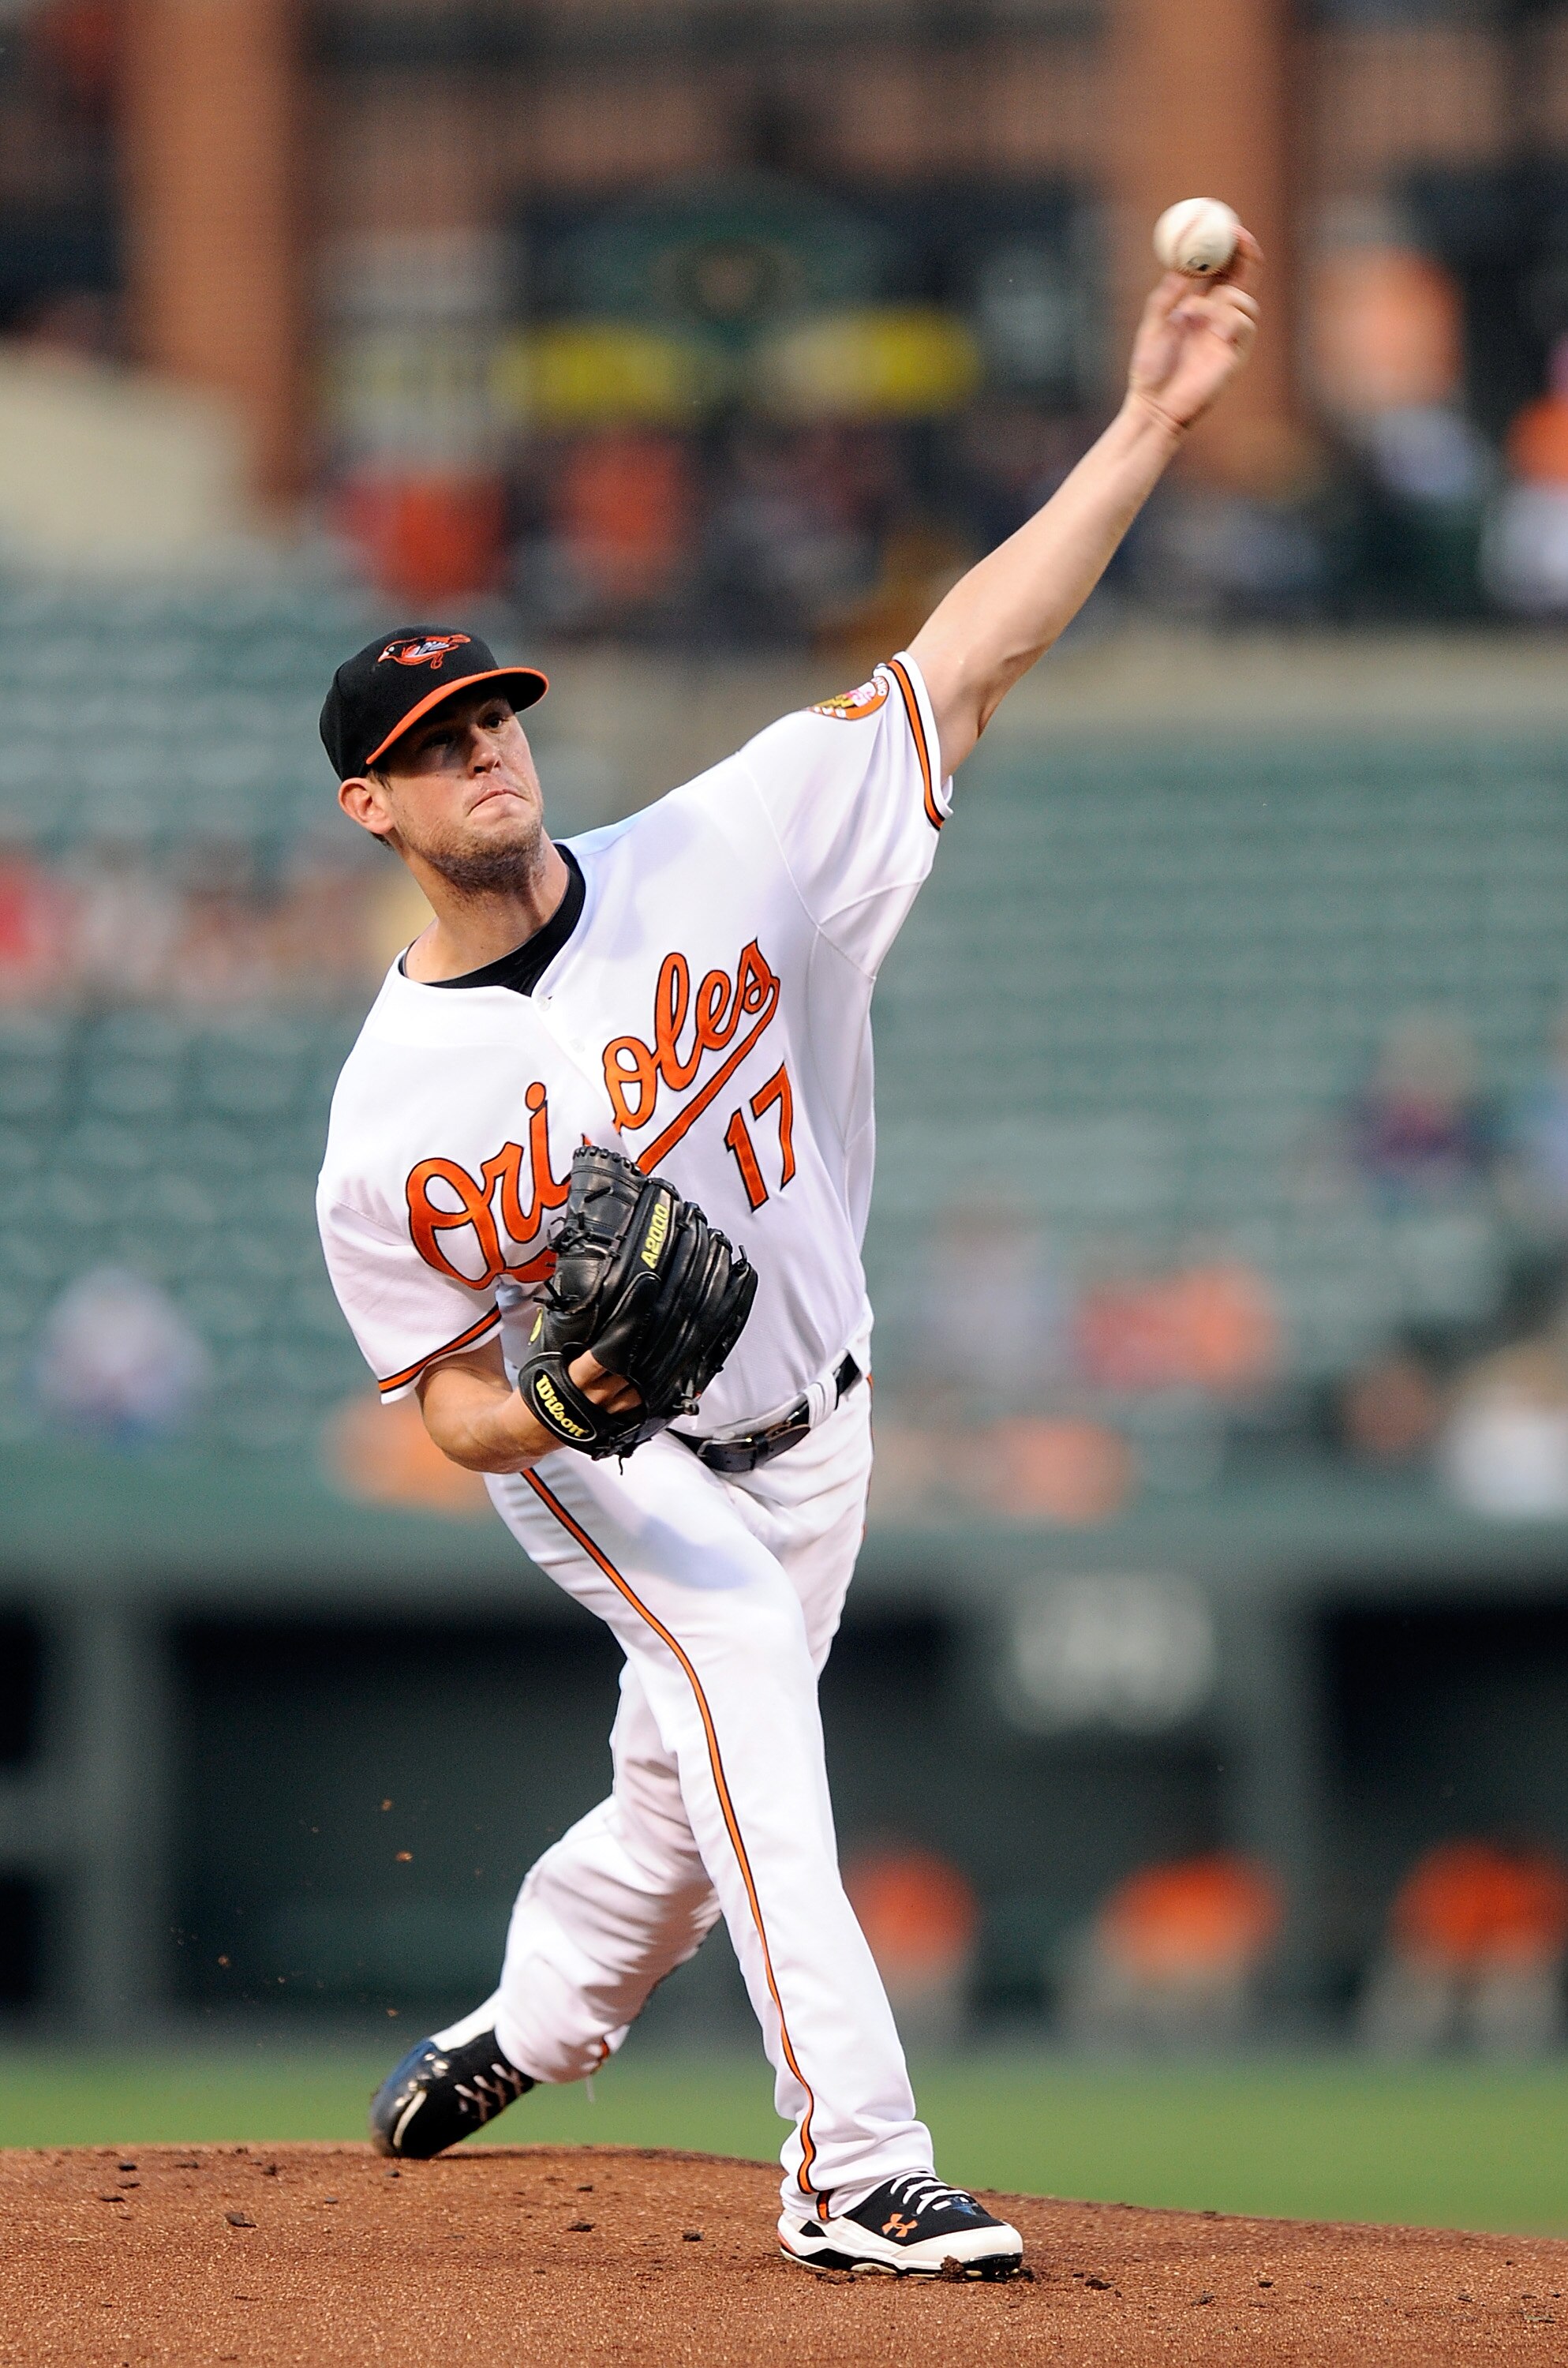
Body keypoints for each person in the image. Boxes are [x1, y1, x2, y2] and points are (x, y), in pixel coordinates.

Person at [315, 241, 1261, 2280]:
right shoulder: (382, 1128)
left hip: (816, 1415)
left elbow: (967, 655)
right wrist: (543, 1407)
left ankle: (541, 2013)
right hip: (611, 1453)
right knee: (735, 1659)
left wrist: (1148, 426)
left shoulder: (726, 846)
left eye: (496, 711)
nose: (488, 746)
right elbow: (445, 1405)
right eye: (438, 735)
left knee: (687, 1796)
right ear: (369, 800)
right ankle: (853, 2162)